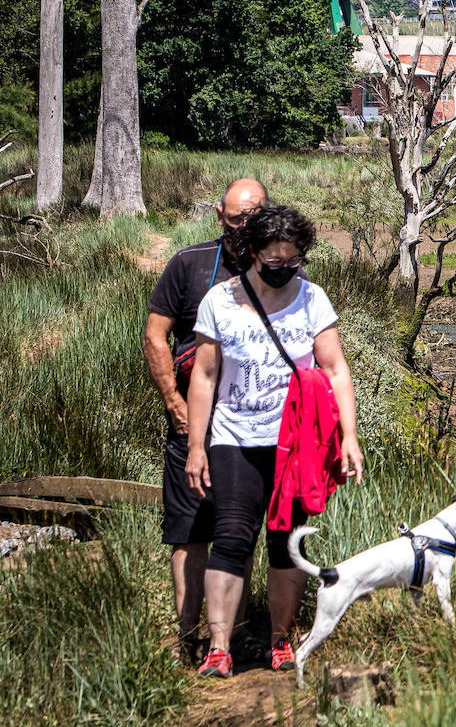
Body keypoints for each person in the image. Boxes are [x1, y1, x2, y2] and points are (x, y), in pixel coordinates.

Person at [184, 206, 363, 677]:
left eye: (293, 262)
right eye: (274, 262)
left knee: (286, 542)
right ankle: (220, 647)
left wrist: (349, 436)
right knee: (232, 536)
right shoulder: (219, 302)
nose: (284, 270)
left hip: (296, 445)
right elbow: (203, 377)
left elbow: (335, 368)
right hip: (234, 438)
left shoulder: (313, 299)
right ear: (253, 254)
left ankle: (279, 639)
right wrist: (197, 446)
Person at [144, 178, 267, 664]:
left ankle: (234, 632)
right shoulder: (189, 264)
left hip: (250, 429)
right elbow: (156, 335)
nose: (243, 229)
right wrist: (174, 401)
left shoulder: (275, 269)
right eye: (235, 220)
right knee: (190, 532)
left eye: (252, 219)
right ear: (220, 216)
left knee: (240, 531)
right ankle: (187, 636)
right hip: (190, 426)